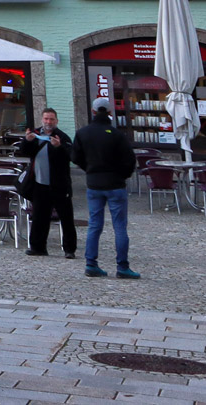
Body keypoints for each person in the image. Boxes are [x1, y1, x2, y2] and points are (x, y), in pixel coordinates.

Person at [72, 96, 140, 279]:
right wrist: (122, 175)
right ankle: (122, 266)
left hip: (94, 184)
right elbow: (130, 160)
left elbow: (75, 156)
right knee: (119, 227)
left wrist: (89, 169)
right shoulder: (117, 135)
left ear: (93, 111)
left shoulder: (83, 133)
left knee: (94, 225)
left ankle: (91, 263)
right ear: (110, 112)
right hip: (115, 184)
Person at [19, 108, 77, 259]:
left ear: (56, 121)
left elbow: (70, 156)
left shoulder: (63, 137)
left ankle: (69, 249)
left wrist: (58, 147)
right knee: (39, 217)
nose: (48, 122)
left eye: (51, 119)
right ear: (42, 119)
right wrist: (27, 141)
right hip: (39, 183)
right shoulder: (35, 134)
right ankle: (37, 247)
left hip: (59, 185)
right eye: (46, 119)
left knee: (66, 218)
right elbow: (23, 152)